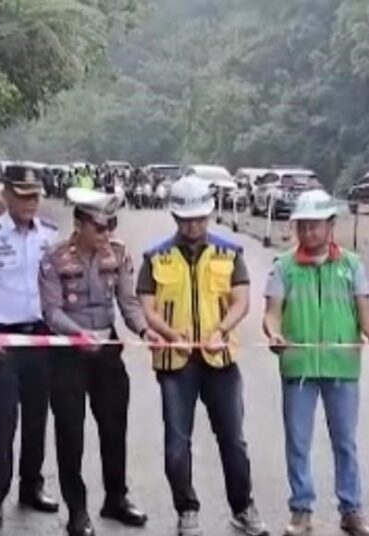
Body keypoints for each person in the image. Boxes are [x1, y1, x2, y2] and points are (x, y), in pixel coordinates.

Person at [136, 175, 267, 536]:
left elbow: (241, 300)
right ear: (175, 217)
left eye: (199, 218)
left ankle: (243, 507)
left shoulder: (229, 252)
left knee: (233, 441)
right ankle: (186, 509)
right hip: (175, 365)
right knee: (177, 445)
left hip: (220, 360)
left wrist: (222, 331)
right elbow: (147, 307)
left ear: (208, 215)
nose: (193, 225)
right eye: (186, 219)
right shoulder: (155, 256)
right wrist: (167, 333)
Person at [39, 187, 161, 536]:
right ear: (79, 224)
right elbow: (51, 311)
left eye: (111, 225)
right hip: (68, 351)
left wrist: (143, 330)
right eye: (100, 227)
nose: (107, 234)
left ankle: (116, 498)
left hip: (106, 348)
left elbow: (128, 301)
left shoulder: (118, 253)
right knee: (70, 432)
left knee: (114, 427)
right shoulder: (54, 257)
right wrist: (78, 333)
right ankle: (77, 510)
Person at [262, 190, 369, 536]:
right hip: (298, 368)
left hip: (342, 367)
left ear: (330, 226)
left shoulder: (352, 265)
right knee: (298, 441)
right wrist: (274, 334)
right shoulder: (283, 267)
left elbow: (365, 311)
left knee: (345, 442)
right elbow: (271, 314)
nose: (308, 233)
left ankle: (351, 510)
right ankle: (301, 510)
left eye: (315, 226)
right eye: (303, 227)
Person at [0, 164, 60, 530]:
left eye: (35, 196)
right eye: (22, 195)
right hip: (3, 338)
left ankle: (31, 487)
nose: (30, 202)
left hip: (40, 335)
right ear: (6, 195)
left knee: (37, 416)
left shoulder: (49, 235)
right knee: (2, 419)